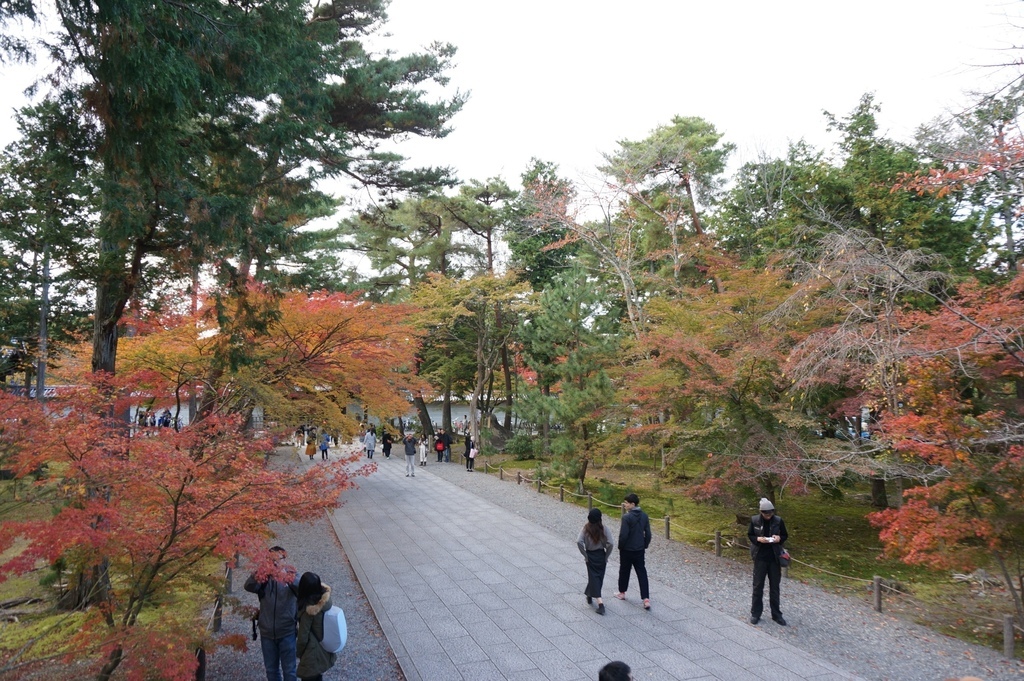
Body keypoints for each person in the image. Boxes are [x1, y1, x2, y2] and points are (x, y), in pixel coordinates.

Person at [244, 546, 299, 681]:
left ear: (284, 559)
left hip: (287, 631)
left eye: (278, 559)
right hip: (267, 632)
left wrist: (285, 575)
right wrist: (259, 572)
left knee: (290, 671)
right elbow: (248, 586)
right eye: (271, 560)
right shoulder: (263, 578)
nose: (274, 563)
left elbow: (302, 587)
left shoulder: (292, 574)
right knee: (271, 670)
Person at [747, 497, 788, 626]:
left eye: (770, 513)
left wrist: (779, 538)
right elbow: (750, 535)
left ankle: (776, 614)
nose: (768, 516)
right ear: (761, 512)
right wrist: (758, 539)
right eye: (766, 514)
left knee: (775, 587)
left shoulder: (778, 521)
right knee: (758, 586)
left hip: (774, 558)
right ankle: (755, 613)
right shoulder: (754, 520)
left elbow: (785, 535)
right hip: (760, 557)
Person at [294, 572, 337, 681]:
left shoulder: (309, 611)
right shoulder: (324, 602)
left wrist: (299, 653)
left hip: (312, 652)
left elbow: (303, 636)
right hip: (323, 648)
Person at [615, 492, 652, 609]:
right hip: (639, 549)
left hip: (627, 549)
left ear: (632, 504)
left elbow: (623, 535)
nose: (624, 504)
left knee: (624, 571)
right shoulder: (644, 516)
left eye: (626, 503)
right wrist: (644, 544)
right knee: (642, 572)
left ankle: (622, 592)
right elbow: (648, 533)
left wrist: (620, 546)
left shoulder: (627, 517)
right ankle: (646, 598)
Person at [577, 508, 614, 615]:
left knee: (593, 577)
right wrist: (606, 555)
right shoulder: (604, 529)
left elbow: (579, 541)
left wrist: (585, 554)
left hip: (590, 555)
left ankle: (600, 604)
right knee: (598, 577)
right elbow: (610, 543)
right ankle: (595, 598)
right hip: (601, 554)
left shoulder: (585, 529)